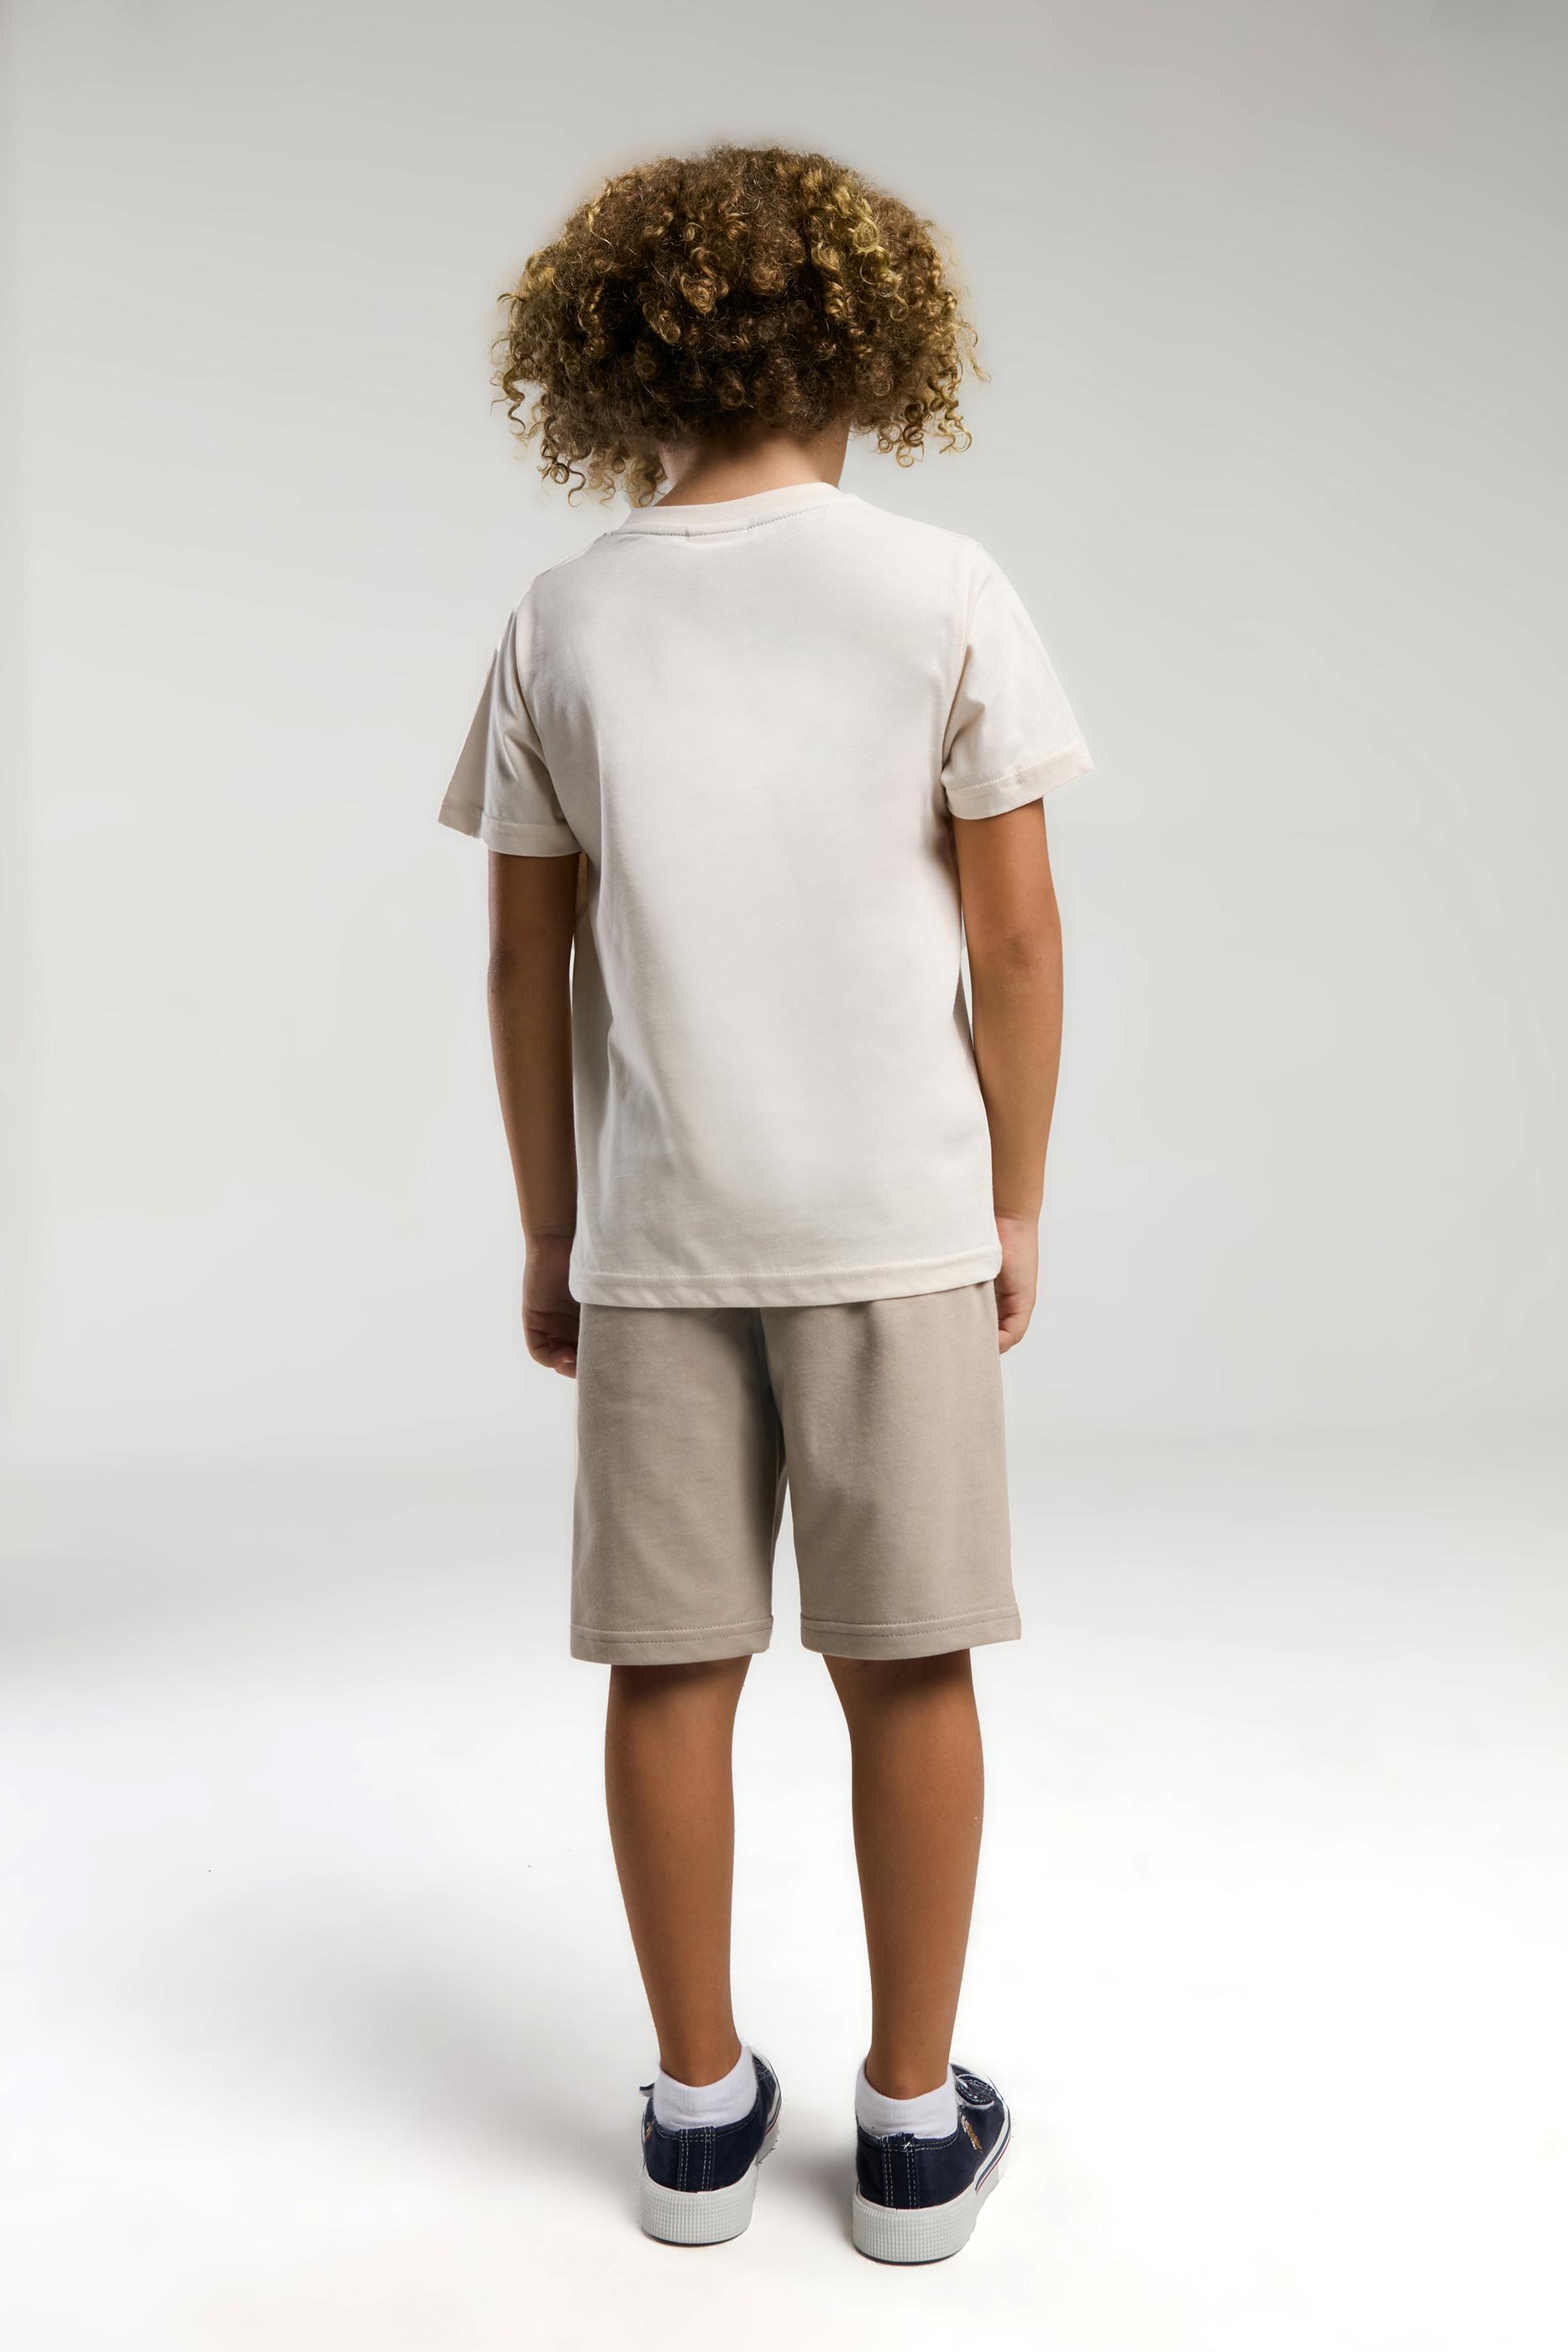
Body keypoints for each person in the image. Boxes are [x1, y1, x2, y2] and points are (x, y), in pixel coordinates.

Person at [439, 144, 1092, 2264]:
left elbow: (523, 961)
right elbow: (1018, 939)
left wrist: (552, 1226)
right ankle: (909, 2128)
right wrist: (1014, 1196)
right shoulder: (943, 588)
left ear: (609, 358)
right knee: (907, 1664)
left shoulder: (564, 615)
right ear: (876, 349)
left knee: (670, 1667)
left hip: (661, 1227)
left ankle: (698, 2114)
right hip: (895, 1219)